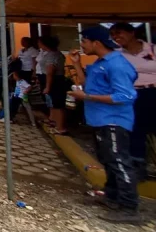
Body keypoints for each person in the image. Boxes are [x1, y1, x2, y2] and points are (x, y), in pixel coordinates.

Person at [68, 26, 139, 224]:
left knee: (119, 161)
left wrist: (87, 96)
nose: (82, 46)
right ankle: (112, 196)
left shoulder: (116, 65)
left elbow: (124, 96)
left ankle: (129, 206)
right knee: (108, 159)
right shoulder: (101, 62)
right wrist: (76, 65)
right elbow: (87, 84)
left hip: (114, 120)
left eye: (84, 42)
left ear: (96, 42)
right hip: (99, 118)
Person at [110, 22, 156, 178]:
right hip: (132, 94)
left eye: (119, 33)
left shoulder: (152, 49)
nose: (116, 37)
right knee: (135, 130)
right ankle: (138, 165)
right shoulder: (117, 55)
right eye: (113, 35)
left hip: (153, 92)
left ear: (132, 33)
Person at [38, 36, 68, 135]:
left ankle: (60, 127)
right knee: (53, 103)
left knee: (58, 104)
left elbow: (50, 72)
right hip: (52, 80)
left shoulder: (52, 55)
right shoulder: (52, 53)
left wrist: (48, 86)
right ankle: (53, 121)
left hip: (55, 81)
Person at [6, 61, 36, 126]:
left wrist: (26, 91)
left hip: (23, 96)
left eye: (14, 75)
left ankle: (33, 122)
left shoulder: (22, 82)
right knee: (16, 107)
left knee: (27, 108)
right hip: (17, 96)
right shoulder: (18, 82)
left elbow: (29, 87)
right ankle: (11, 118)